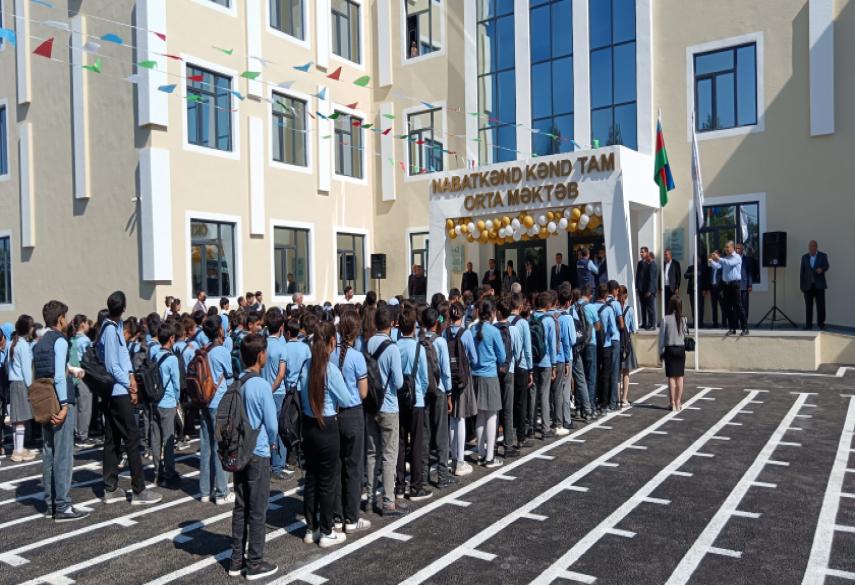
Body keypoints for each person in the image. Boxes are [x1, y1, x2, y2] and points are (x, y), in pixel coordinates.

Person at [99, 292, 162, 506]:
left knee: (113, 438)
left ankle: (110, 487)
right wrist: (128, 383)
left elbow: (124, 356)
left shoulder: (116, 325)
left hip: (118, 388)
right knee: (132, 438)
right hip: (117, 391)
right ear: (123, 307)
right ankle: (138, 490)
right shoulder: (110, 329)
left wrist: (131, 376)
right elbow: (112, 365)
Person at [229, 333, 279, 580]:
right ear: (261, 356)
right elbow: (272, 425)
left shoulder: (238, 382)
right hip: (258, 451)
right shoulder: (261, 385)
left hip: (239, 451)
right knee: (258, 509)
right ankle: (255, 563)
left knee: (241, 506)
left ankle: (236, 560)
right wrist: (273, 443)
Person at [35, 301, 89, 521]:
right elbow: (58, 376)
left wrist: (72, 369)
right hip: (59, 400)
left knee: (49, 452)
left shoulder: (40, 342)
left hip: (44, 400)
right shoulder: (60, 340)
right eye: (65, 317)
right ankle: (63, 506)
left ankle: (51, 504)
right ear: (60, 319)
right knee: (63, 455)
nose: (67, 321)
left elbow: (47, 370)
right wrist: (65, 405)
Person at [302, 321, 350, 548]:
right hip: (327, 425)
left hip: (308, 425)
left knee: (311, 478)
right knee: (328, 482)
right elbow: (346, 399)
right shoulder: (330, 370)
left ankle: (310, 528)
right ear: (332, 342)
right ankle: (327, 530)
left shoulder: (306, 366)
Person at [331, 311, 372, 533]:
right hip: (353, 413)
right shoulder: (357, 357)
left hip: (333, 412)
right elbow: (363, 392)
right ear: (356, 332)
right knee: (354, 468)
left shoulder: (330, 354)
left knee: (337, 466)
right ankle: (351, 517)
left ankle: (337, 516)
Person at [365, 307, 406, 516]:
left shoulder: (367, 343)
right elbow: (398, 382)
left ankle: (370, 499)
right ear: (391, 324)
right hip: (388, 405)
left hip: (371, 404)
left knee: (372, 453)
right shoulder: (392, 348)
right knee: (390, 455)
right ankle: (389, 501)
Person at [395, 306, 433, 500]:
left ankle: (400, 486)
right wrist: (421, 394)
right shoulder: (419, 347)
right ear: (414, 326)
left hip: (399, 398)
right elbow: (425, 379)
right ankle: (416, 486)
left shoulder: (395, 346)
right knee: (417, 443)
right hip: (416, 399)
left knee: (400, 442)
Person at [199, 315, 234, 504]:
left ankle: (205, 491)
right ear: (220, 330)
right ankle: (221, 492)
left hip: (203, 400)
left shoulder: (202, 349)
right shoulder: (221, 351)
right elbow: (229, 378)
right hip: (218, 401)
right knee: (221, 447)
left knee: (206, 446)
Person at [419, 308, 455, 487]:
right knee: (441, 433)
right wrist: (449, 393)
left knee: (425, 434)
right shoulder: (440, 342)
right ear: (436, 323)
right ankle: (442, 475)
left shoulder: (418, 341)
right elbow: (446, 371)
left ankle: (423, 475)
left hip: (423, 391)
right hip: (439, 389)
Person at [470, 300, 506, 467]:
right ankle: (490, 457)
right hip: (490, 376)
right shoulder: (493, 331)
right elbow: (502, 357)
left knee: (480, 416)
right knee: (491, 416)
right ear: (492, 313)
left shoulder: (472, 329)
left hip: (475, 375)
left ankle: (481, 453)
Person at [444, 302, 478, 477]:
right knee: (461, 418)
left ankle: (452, 458)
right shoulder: (466, 333)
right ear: (462, 316)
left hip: (449, 378)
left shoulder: (445, 333)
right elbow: (474, 358)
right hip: (463, 379)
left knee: (452, 418)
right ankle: (460, 462)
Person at [151, 323, 181, 488]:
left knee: (156, 438)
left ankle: (157, 471)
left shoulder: (154, 354)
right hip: (168, 401)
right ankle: (170, 472)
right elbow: (176, 384)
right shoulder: (172, 359)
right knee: (168, 439)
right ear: (171, 338)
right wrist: (177, 400)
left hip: (154, 400)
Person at [262, 311, 289, 480]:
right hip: (277, 392)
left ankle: (265, 462)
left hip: (262, 390)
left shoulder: (262, 344)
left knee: (264, 428)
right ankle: (278, 466)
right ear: (281, 327)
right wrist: (272, 388)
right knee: (278, 429)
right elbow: (281, 374)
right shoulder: (281, 347)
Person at [495, 299, 522, 456]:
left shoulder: (492, 329)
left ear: (498, 312)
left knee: (495, 408)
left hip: (494, 371)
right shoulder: (514, 329)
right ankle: (508, 444)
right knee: (508, 408)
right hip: (509, 371)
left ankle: (492, 444)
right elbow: (517, 353)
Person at [7, 315, 37, 462]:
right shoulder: (23, 345)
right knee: (21, 419)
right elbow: (26, 370)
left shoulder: (13, 342)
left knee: (17, 419)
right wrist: (31, 387)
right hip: (21, 384)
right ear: (27, 328)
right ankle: (18, 451)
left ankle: (18, 448)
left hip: (14, 383)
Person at [530, 292, 557, 439]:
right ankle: (545, 428)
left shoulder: (531, 317)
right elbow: (552, 345)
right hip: (545, 361)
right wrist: (554, 365)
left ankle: (532, 426)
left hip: (533, 361)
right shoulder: (549, 320)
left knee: (533, 393)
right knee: (544, 394)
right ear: (548, 305)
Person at [509, 294, 532, 449]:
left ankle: (508, 434)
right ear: (521, 307)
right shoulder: (523, 323)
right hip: (521, 365)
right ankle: (521, 437)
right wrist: (530, 369)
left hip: (508, 366)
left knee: (508, 403)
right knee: (521, 402)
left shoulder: (504, 321)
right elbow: (527, 349)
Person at [709, 241, 748, 336]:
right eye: (725, 247)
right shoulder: (725, 258)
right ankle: (732, 328)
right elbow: (718, 266)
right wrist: (711, 261)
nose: (726, 249)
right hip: (726, 285)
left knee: (738, 306)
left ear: (732, 248)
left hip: (735, 284)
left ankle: (745, 328)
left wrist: (719, 258)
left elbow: (730, 263)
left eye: (727, 247)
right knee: (727, 307)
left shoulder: (737, 257)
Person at [68, 315, 95, 448]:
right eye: (87, 323)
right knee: (85, 406)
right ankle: (83, 436)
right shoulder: (85, 340)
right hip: (83, 373)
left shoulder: (71, 339)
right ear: (83, 324)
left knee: (75, 405)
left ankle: (75, 432)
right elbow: (90, 357)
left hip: (72, 373)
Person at [659, 296, 687, 411]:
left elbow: (661, 338)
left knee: (671, 377)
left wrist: (660, 352)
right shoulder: (684, 319)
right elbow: (684, 335)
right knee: (679, 377)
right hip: (680, 349)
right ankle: (679, 401)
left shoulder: (665, 319)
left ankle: (673, 403)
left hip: (670, 348)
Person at [593, 285, 617, 413]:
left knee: (595, 372)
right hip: (606, 344)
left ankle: (595, 399)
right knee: (606, 374)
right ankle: (604, 403)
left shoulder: (591, 307)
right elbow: (613, 329)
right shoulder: (608, 309)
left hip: (594, 344)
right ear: (606, 295)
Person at [800, 240, 830, 330]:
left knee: (821, 305)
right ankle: (808, 325)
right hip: (808, 286)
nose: (811, 248)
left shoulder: (823, 256)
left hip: (819, 285)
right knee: (808, 306)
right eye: (810, 246)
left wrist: (822, 269)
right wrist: (801, 286)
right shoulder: (804, 257)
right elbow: (802, 272)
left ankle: (821, 324)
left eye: (813, 246)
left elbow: (827, 266)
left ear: (816, 247)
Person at [618, 285, 638, 407]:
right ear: (626, 296)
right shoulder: (629, 310)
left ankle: (616, 398)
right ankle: (624, 398)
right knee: (626, 372)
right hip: (626, 343)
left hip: (616, 342)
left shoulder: (614, 308)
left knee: (617, 372)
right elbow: (633, 328)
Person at [735, 244, 754, 322]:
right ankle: (737, 322)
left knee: (744, 305)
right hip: (735, 286)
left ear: (742, 249)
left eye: (738, 248)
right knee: (736, 305)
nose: (737, 250)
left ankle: (745, 322)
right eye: (736, 248)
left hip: (744, 286)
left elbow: (749, 273)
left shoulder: (747, 259)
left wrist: (750, 285)